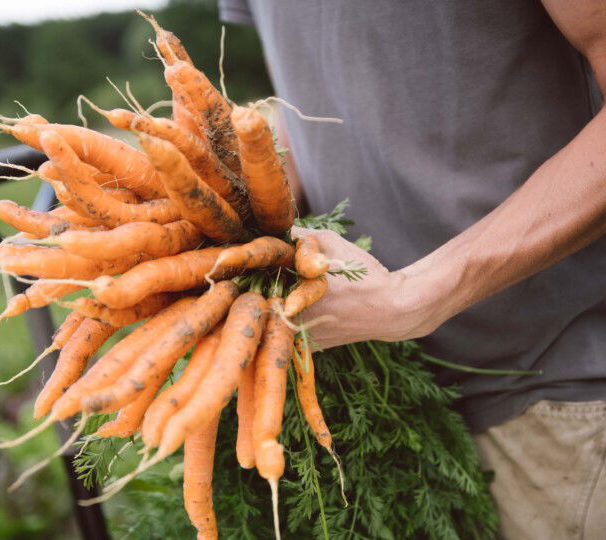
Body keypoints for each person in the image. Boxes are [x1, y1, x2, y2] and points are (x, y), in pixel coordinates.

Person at [219, 1, 606, 538]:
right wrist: (219, 210)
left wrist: (413, 295)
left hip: (555, 391)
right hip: (374, 403)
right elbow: (314, 95)